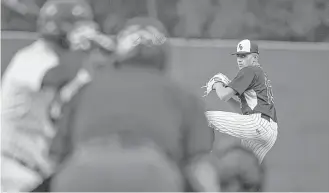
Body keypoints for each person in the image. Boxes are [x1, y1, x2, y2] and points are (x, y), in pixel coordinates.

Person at [48, 17, 216, 192]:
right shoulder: (183, 96)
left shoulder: (85, 90)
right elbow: (199, 168)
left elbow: (56, 158)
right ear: (163, 55)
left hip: (81, 172)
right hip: (150, 175)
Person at [0, 0, 106, 191]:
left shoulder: (76, 67)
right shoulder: (30, 57)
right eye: (79, 28)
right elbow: (53, 77)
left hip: (42, 171)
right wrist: (84, 52)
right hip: (11, 167)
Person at [202, 39, 278, 163]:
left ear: (254, 57)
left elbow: (223, 95)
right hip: (269, 131)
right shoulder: (260, 74)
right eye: (238, 56)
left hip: (258, 123)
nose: (239, 59)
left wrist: (217, 83)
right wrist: (227, 94)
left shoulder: (249, 70)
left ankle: (206, 161)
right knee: (246, 168)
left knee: (205, 118)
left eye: (244, 55)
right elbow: (241, 109)